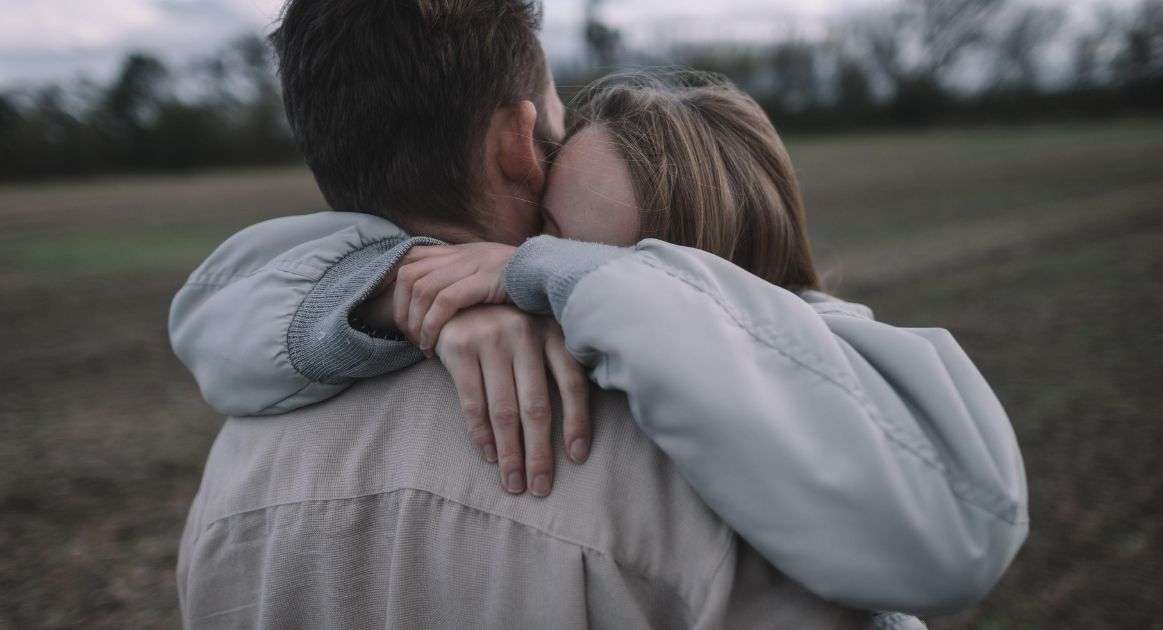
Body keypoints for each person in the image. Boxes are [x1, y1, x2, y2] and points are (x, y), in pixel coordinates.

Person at [171, 1, 1026, 627]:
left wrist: (449, 281)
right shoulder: (723, 493)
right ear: (517, 141)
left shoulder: (241, 459)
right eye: (553, 126)